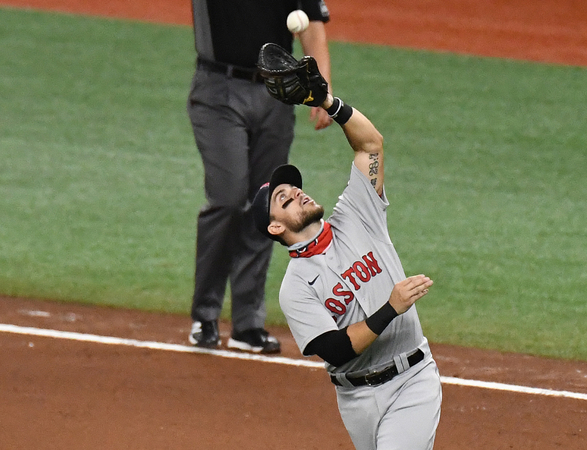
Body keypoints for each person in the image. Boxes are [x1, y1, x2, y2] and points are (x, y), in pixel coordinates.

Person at [251, 88, 442, 447]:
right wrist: (391, 307)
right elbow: (336, 350)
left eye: (294, 187)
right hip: (356, 401)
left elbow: (371, 145)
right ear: (275, 227)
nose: (297, 193)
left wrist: (328, 103)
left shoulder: (357, 213)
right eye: (284, 198)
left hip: (411, 380)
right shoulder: (295, 289)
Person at [187, 0, 334, 354]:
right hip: (217, 90)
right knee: (227, 197)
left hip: (276, 94)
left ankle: (247, 324)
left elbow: (312, 23)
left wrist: (321, 89)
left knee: (266, 204)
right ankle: (205, 314)